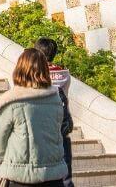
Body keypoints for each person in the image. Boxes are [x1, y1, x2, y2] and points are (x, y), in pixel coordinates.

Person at [0, 49, 70, 187]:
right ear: (45, 70)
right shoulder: (56, 99)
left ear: (19, 70)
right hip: (54, 178)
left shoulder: (11, 103)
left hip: (20, 179)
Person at [34, 38, 74, 186]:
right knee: (66, 176)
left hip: (41, 129)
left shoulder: (35, 75)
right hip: (60, 126)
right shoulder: (65, 75)